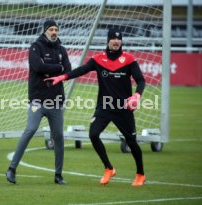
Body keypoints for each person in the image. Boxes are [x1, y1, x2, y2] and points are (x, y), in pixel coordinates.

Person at [45, 28, 146, 186]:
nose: (116, 41)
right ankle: (108, 168)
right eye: (113, 38)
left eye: (119, 39)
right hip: (104, 108)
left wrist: (137, 95)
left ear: (121, 42)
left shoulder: (129, 59)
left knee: (132, 142)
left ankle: (140, 173)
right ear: (108, 40)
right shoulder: (98, 59)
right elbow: (81, 70)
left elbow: (141, 80)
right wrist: (62, 77)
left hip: (123, 109)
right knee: (93, 134)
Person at [6, 20, 71, 185]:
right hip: (37, 100)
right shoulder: (36, 46)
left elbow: (68, 71)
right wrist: (58, 67)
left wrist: (52, 67)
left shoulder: (62, 49)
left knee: (59, 136)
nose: (54, 32)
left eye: (56, 29)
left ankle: (58, 175)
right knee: (30, 130)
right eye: (51, 29)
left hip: (56, 101)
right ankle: (12, 169)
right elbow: (38, 67)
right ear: (45, 31)